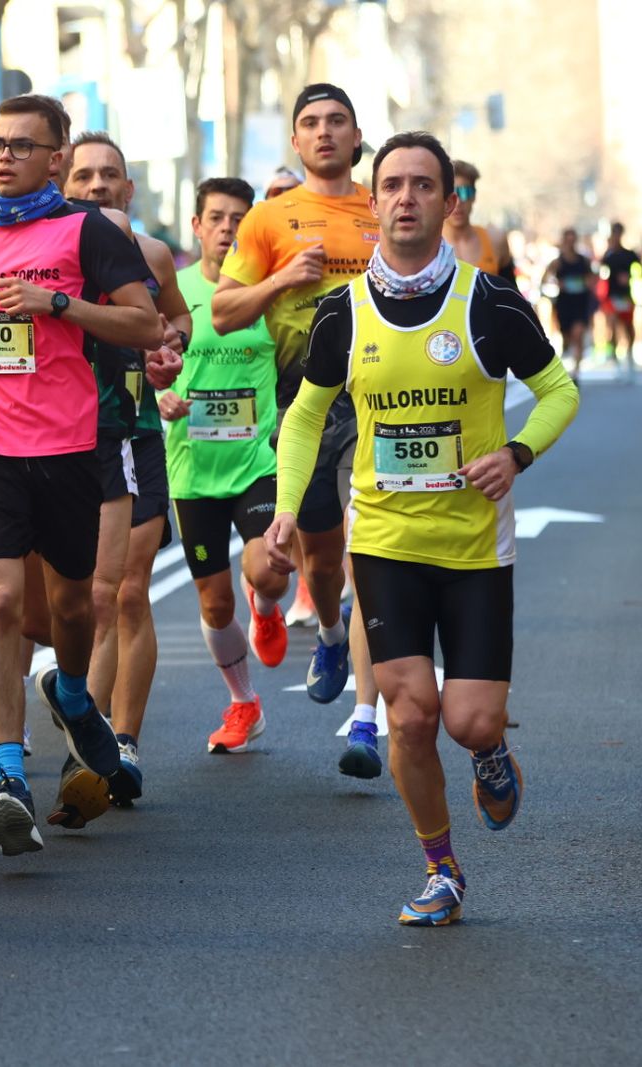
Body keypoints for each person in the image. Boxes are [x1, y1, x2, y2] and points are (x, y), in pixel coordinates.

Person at [266, 131, 579, 925]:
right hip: (387, 541)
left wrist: (516, 452)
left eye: (423, 185)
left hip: (475, 545)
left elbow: (559, 392)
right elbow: (305, 418)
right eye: (393, 185)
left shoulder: (491, 302)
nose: (406, 197)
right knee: (409, 714)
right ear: (375, 204)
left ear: (448, 201)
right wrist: (285, 504)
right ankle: (441, 868)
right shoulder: (343, 312)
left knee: (469, 718)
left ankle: (492, 751)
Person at [0, 95, 164, 853]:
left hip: (71, 446)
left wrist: (57, 302)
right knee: (1, 600)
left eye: (22, 146)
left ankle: (73, 694)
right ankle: (11, 776)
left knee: (75, 608)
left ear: (57, 156)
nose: (4, 157)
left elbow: (146, 325)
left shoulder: (90, 231)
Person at [211, 83, 383, 766]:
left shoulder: (383, 204)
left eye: (337, 120)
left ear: (356, 132)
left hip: (375, 390)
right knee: (321, 550)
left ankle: (367, 712)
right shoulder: (269, 219)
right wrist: (283, 281)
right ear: (295, 140)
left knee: (365, 539)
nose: (324, 132)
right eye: (310, 122)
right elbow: (224, 311)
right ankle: (333, 630)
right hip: (301, 393)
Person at [61, 130, 191, 807]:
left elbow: (179, 322)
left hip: (132, 432)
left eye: (110, 175)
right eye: (85, 175)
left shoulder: (151, 254)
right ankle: (83, 721)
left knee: (123, 593)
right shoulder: (46, 252)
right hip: (55, 437)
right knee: (71, 599)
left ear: (128, 188)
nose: (98, 185)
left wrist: (169, 350)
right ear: (65, 183)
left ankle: (120, 742)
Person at [158, 177, 295, 756]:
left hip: (256, 459)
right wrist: (157, 398)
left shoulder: (266, 295)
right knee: (214, 603)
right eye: (216, 217)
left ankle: (265, 608)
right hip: (192, 467)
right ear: (196, 226)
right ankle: (243, 704)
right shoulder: (174, 291)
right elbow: (147, 361)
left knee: (269, 572)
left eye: (240, 218)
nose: (227, 228)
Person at [443, 160, 513, 281]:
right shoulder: (427, 244)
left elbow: (511, 295)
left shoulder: (495, 240)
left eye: (464, 192)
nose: (458, 202)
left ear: (474, 196)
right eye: (451, 194)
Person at [542, 229, 594, 380]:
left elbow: (591, 279)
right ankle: (569, 356)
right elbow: (545, 278)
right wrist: (557, 283)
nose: (570, 244)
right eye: (568, 241)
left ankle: (576, 372)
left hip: (580, 301)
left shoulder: (583, 261)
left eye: (573, 241)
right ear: (564, 241)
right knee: (567, 337)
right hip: (564, 303)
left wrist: (584, 283)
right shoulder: (557, 262)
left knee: (578, 334)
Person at [600, 222, 642, 369]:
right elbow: (601, 271)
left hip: (626, 296)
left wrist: (631, 277)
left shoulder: (630, 254)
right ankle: (616, 356)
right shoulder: (608, 254)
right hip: (612, 296)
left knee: (628, 326)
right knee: (612, 324)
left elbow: (641, 270)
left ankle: (630, 354)